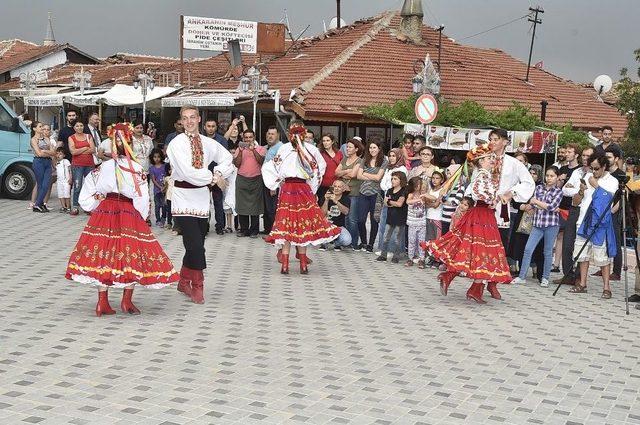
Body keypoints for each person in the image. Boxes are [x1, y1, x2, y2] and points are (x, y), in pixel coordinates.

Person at [65, 122, 179, 316]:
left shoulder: (102, 168)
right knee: (131, 253)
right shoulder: (136, 168)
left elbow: (86, 196)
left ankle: (102, 302)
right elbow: (142, 197)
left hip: (105, 212)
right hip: (128, 212)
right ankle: (127, 301)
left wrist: (97, 203)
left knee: (103, 254)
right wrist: (140, 217)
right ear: (130, 144)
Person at [424, 144, 512, 303]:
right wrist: (494, 199)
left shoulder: (483, 174)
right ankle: (472, 289)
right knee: (480, 250)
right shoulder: (482, 175)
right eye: (487, 158)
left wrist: (494, 199)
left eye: (491, 158)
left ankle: (456, 279)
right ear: (480, 161)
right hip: (481, 215)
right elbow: (478, 193)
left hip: (484, 215)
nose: (491, 160)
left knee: (475, 250)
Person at [166, 105, 234, 304]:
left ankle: (183, 280)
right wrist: (213, 178)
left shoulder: (208, 143)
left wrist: (220, 173)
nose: (189, 121)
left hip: (202, 199)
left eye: (192, 117)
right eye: (185, 118)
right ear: (181, 121)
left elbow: (227, 158)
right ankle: (198, 284)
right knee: (196, 244)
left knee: (196, 244)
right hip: (182, 198)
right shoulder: (175, 144)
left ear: (199, 120)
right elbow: (187, 172)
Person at [262, 121, 341, 274]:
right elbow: (319, 168)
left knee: (287, 225)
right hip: (303, 189)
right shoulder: (310, 149)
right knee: (301, 225)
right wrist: (312, 187)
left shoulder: (285, 148)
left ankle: (285, 265)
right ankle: (303, 264)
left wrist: (277, 182)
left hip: (288, 189)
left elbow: (271, 166)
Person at [482, 129, 536, 273]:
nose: (492, 142)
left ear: (505, 142)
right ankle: (481, 271)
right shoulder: (484, 159)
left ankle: (496, 273)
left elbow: (528, 183)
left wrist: (511, 193)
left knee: (499, 240)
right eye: (491, 139)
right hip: (483, 206)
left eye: (496, 139)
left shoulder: (514, 163)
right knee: (481, 240)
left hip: (501, 208)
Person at [568, 153, 618, 299]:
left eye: (597, 169)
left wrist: (596, 186)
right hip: (584, 221)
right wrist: (581, 190)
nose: (594, 172)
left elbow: (609, 199)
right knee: (582, 255)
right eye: (592, 168)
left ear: (604, 167)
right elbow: (575, 202)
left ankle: (606, 287)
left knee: (602, 257)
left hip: (601, 223)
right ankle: (582, 284)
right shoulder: (587, 177)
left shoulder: (612, 181)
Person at [512, 166, 563, 287]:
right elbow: (540, 205)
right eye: (547, 175)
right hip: (537, 224)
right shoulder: (539, 187)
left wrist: (538, 203)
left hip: (551, 225)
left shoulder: (558, 192)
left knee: (547, 251)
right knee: (528, 249)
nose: (549, 178)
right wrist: (542, 205)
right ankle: (522, 276)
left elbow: (550, 206)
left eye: (552, 176)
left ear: (557, 177)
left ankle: (545, 277)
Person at [553, 147, 595, 285]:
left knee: (581, 243)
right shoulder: (577, 171)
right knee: (567, 243)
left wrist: (575, 189)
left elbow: (590, 193)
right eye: (583, 155)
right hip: (574, 208)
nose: (585, 158)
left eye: (588, 156)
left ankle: (578, 276)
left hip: (587, 210)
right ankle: (567, 275)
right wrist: (578, 190)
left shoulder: (595, 174)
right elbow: (565, 189)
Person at [508, 164, 544, 280]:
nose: (532, 175)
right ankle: (519, 269)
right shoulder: (522, 186)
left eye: (535, 173)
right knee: (519, 243)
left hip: (536, 218)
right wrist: (523, 206)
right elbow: (515, 200)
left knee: (535, 245)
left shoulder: (541, 187)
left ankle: (536, 270)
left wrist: (534, 206)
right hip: (522, 217)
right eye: (530, 173)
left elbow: (543, 202)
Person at [553, 144, 582, 272]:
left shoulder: (580, 170)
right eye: (567, 152)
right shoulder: (563, 168)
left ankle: (573, 264)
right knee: (560, 235)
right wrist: (560, 180)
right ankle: (556, 264)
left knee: (571, 236)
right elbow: (558, 188)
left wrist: (569, 187)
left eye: (570, 152)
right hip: (562, 205)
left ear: (576, 155)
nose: (567, 154)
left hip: (573, 206)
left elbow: (576, 189)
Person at [356, 140, 388, 252]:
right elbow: (358, 176)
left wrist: (365, 173)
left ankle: (371, 244)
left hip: (376, 194)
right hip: (363, 192)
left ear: (379, 148)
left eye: (374, 148)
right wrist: (371, 176)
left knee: (375, 220)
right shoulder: (365, 159)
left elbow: (378, 178)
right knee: (360, 220)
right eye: (370, 148)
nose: (372, 150)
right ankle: (363, 242)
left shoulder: (384, 160)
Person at [233, 129, 266, 237]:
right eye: (246, 137)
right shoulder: (239, 149)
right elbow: (237, 164)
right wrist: (241, 151)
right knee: (242, 206)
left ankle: (254, 230)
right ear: (243, 138)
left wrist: (253, 150)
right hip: (242, 179)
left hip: (256, 179)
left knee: (255, 206)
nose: (248, 139)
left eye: (250, 137)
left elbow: (261, 161)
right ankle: (244, 230)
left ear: (254, 137)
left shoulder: (260, 148)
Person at [376, 148, 407, 255]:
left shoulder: (402, 169)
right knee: (384, 225)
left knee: (394, 228)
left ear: (399, 156)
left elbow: (397, 184)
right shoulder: (389, 168)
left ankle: (392, 250)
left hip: (395, 199)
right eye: (390, 155)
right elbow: (383, 184)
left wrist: (387, 188)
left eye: (394, 156)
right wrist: (386, 188)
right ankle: (383, 249)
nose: (391, 158)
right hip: (387, 197)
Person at [335, 138, 364, 249]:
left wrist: (345, 173)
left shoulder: (359, 161)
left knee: (352, 218)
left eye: (350, 147)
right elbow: (336, 173)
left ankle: (353, 242)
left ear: (356, 149)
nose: (347, 149)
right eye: (347, 146)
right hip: (343, 192)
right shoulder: (344, 159)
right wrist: (347, 171)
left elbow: (353, 175)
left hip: (354, 192)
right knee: (345, 218)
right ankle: (347, 241)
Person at [204, 118, 230, 235]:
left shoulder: (222, 140)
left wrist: (220, 174)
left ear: (216, 127)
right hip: (203, 175)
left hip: (217, 175)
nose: (210, 128)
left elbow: (226, 159)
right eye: (208, 126)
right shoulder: (200, 140)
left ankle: (220, 226)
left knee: (218, 201)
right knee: (204, 202)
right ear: (204, 127)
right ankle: (204, 226)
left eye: (213, 126)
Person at [69, 121, 96, 216]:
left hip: (89, 164)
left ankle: (89, 207)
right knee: (77, 186)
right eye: (77, 126)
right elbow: (73, 152)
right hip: (77, 165)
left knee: (90, 186)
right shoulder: (71, 138)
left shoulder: (88, 136)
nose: (79, 127)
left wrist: (79, 150)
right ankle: (75, 207)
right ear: (74, 128)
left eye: (81, 125)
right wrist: (85, 148)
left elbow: (93, 149)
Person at [30, 122, 56, 212]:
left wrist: (44, 151)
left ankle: (38, 204)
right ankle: (39, 204)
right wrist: (47, 152)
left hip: (48, 162)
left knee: (46, 184)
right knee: (41, 185)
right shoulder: (34, 139)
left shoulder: (46, 139)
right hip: (38, 162)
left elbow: (53, 152)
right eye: (40, 127)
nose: (42, 128)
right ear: (34, 129)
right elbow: (39, 153)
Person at [320, 179, 352, 250]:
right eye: (335, 186)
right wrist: (326, 200)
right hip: (326, 226)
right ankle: (325, 243)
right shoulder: (326, 197)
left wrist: (336, 201)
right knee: (322, 237)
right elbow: (322, 214)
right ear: (331, 187)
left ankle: (335, 244)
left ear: (343, 189)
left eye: (339, 187)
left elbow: (346, 212)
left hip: (339, 226)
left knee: (347, 241)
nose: (336, 188)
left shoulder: (346, 199)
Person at [262, 126, 283, 235]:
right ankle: (268, 230)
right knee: (267, 209)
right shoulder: (269, 147)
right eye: (268, 134)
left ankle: (274, 232)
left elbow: (278, 168)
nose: (270, 136)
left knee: (273, 209)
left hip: (273, 185)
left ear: (278, 135)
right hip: (266, 183)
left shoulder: (280, 148)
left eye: (272, 134)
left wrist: (274, 185)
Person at [423, 170, 446, 267]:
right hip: (428, 217)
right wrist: (432, 202)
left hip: (437, 218)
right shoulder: (430, 190)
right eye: (433, 178)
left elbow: (437, 205)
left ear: (441, 180)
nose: (434, 180)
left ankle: (436, 259)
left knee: (437, 240)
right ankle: (429, 258)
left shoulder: (442, 190)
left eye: (437, 178)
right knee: (429, 239)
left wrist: (431, 202)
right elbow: (425, 203)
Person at [405, 176, 427, 268]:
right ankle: (410, 258)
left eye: (420, 183)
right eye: (417, 184)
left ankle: (422, 259)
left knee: (421, 241)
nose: (419, 185)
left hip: (422, 222)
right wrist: (418, 199)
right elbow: (408, 201)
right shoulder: (411, 194)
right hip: (412, 223)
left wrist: (425, 196)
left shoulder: (424, 194)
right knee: (412, 241)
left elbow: (432, 198)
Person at [317, 133, 343, 207]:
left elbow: (343, 167)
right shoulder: (319, 153)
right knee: (322, 207)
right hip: (322, 185)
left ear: (332, 142)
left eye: (328, 140)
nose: (325, 142)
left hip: (336, 186)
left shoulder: (339, 153)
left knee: (334, 208)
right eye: (324, 141)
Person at [149, 148, 168, 226]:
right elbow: (153, 180)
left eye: (158, 157)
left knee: (164, 205)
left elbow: (167, 177)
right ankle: (158, 220)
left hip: (165, 190)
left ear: (161, 157)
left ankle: (163, 217)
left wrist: (165, 187)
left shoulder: (164, 166)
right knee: (157, 205)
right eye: (155, 157)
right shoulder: (152, 168)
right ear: (152, 158)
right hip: (157, 190)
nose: (157, 159)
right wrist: (160, 187)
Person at [55, 147, 72, 212]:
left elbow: (70, 170)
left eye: (60, 154)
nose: (58, 155)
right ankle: (63, 207)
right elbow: (55, 167)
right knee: (60, 194)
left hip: (66, 181)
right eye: (57, 154)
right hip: (59, 181)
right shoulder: (56, 162)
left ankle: (68, 207)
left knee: (67, 194)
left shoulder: (66, 161)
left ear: (64, 155)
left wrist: (70, 178)